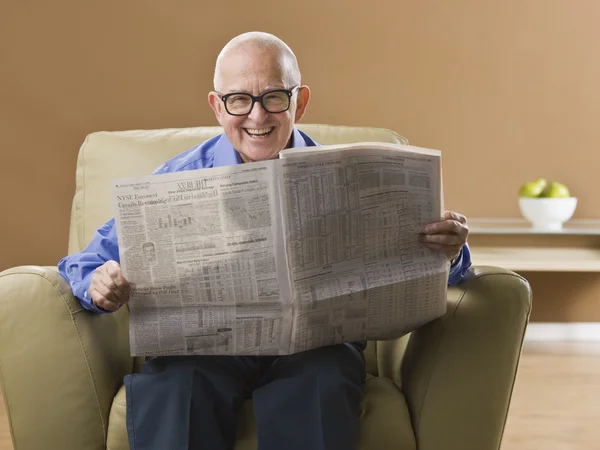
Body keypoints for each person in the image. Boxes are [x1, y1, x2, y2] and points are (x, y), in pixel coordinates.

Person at [58, 31, 471, 450]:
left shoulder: (352, 177)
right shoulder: (175, 178)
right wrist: (99, 283)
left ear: (300, 101)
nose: (257, 117)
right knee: (176, 387)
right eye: (239, 100)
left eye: (274, 96)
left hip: (315, 350)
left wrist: (451, 251)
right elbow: (85, 262)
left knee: (322, 381)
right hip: (203, 350)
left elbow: (445, 272)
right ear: (217, 107)